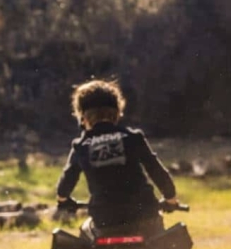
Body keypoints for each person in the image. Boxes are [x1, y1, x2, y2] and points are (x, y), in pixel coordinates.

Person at [55, 79, 179, 239]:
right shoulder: (133, 137)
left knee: (86, 233)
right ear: (117, 112)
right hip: (144, 217)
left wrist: (63, 200)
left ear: (82, 117)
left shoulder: (81, 146)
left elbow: (66, 183)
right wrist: (171, 199)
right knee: (159, 240)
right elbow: (157, 171)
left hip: (105, 222)